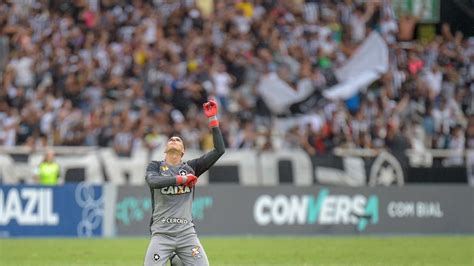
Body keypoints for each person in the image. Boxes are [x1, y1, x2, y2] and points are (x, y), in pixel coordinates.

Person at [143, 99, 225, 266]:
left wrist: (213, 119)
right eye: (171, 139)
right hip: (162, 234)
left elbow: (219, 150)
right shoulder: (155, 166)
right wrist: (181, 180)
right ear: (165, 149)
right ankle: (176, 259)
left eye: (178, 139)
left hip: (187, 235)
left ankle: (177, 260)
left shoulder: (191, 167)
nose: (174, 139)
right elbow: (152, 182)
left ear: (183, 151)